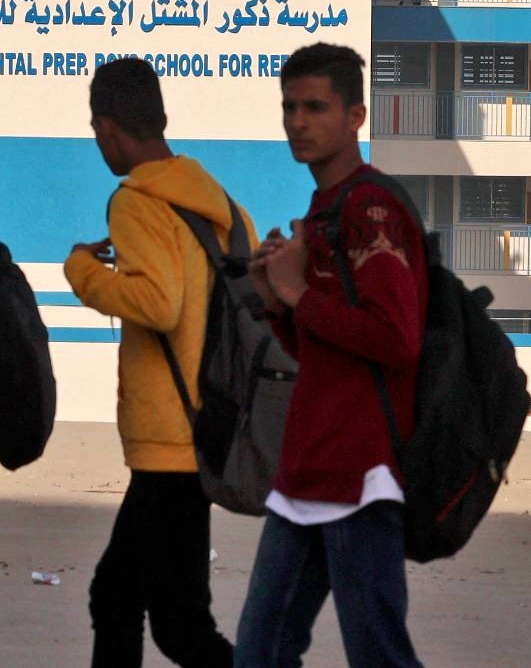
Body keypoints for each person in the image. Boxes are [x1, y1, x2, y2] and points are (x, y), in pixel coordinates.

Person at [235, 44, 426, 667]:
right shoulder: (322, 212)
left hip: (361, 469)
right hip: (310, 467)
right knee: (261, 652)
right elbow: (321, 351)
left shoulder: (371, 208)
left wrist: (293, 291)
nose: (297, 121)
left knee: (377, 654)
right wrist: (276, 302)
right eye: (289, 106)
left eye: (315, 107)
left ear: (356, 117)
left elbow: (394, 340)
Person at [65, 56, 241, 668]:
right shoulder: (216, 203)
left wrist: (82, 269)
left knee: (178, 623)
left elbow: (158, 304)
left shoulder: (137, 202)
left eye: (97, 132)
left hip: (171, 438)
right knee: (117, 596)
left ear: (107, 128)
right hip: (212, 423)